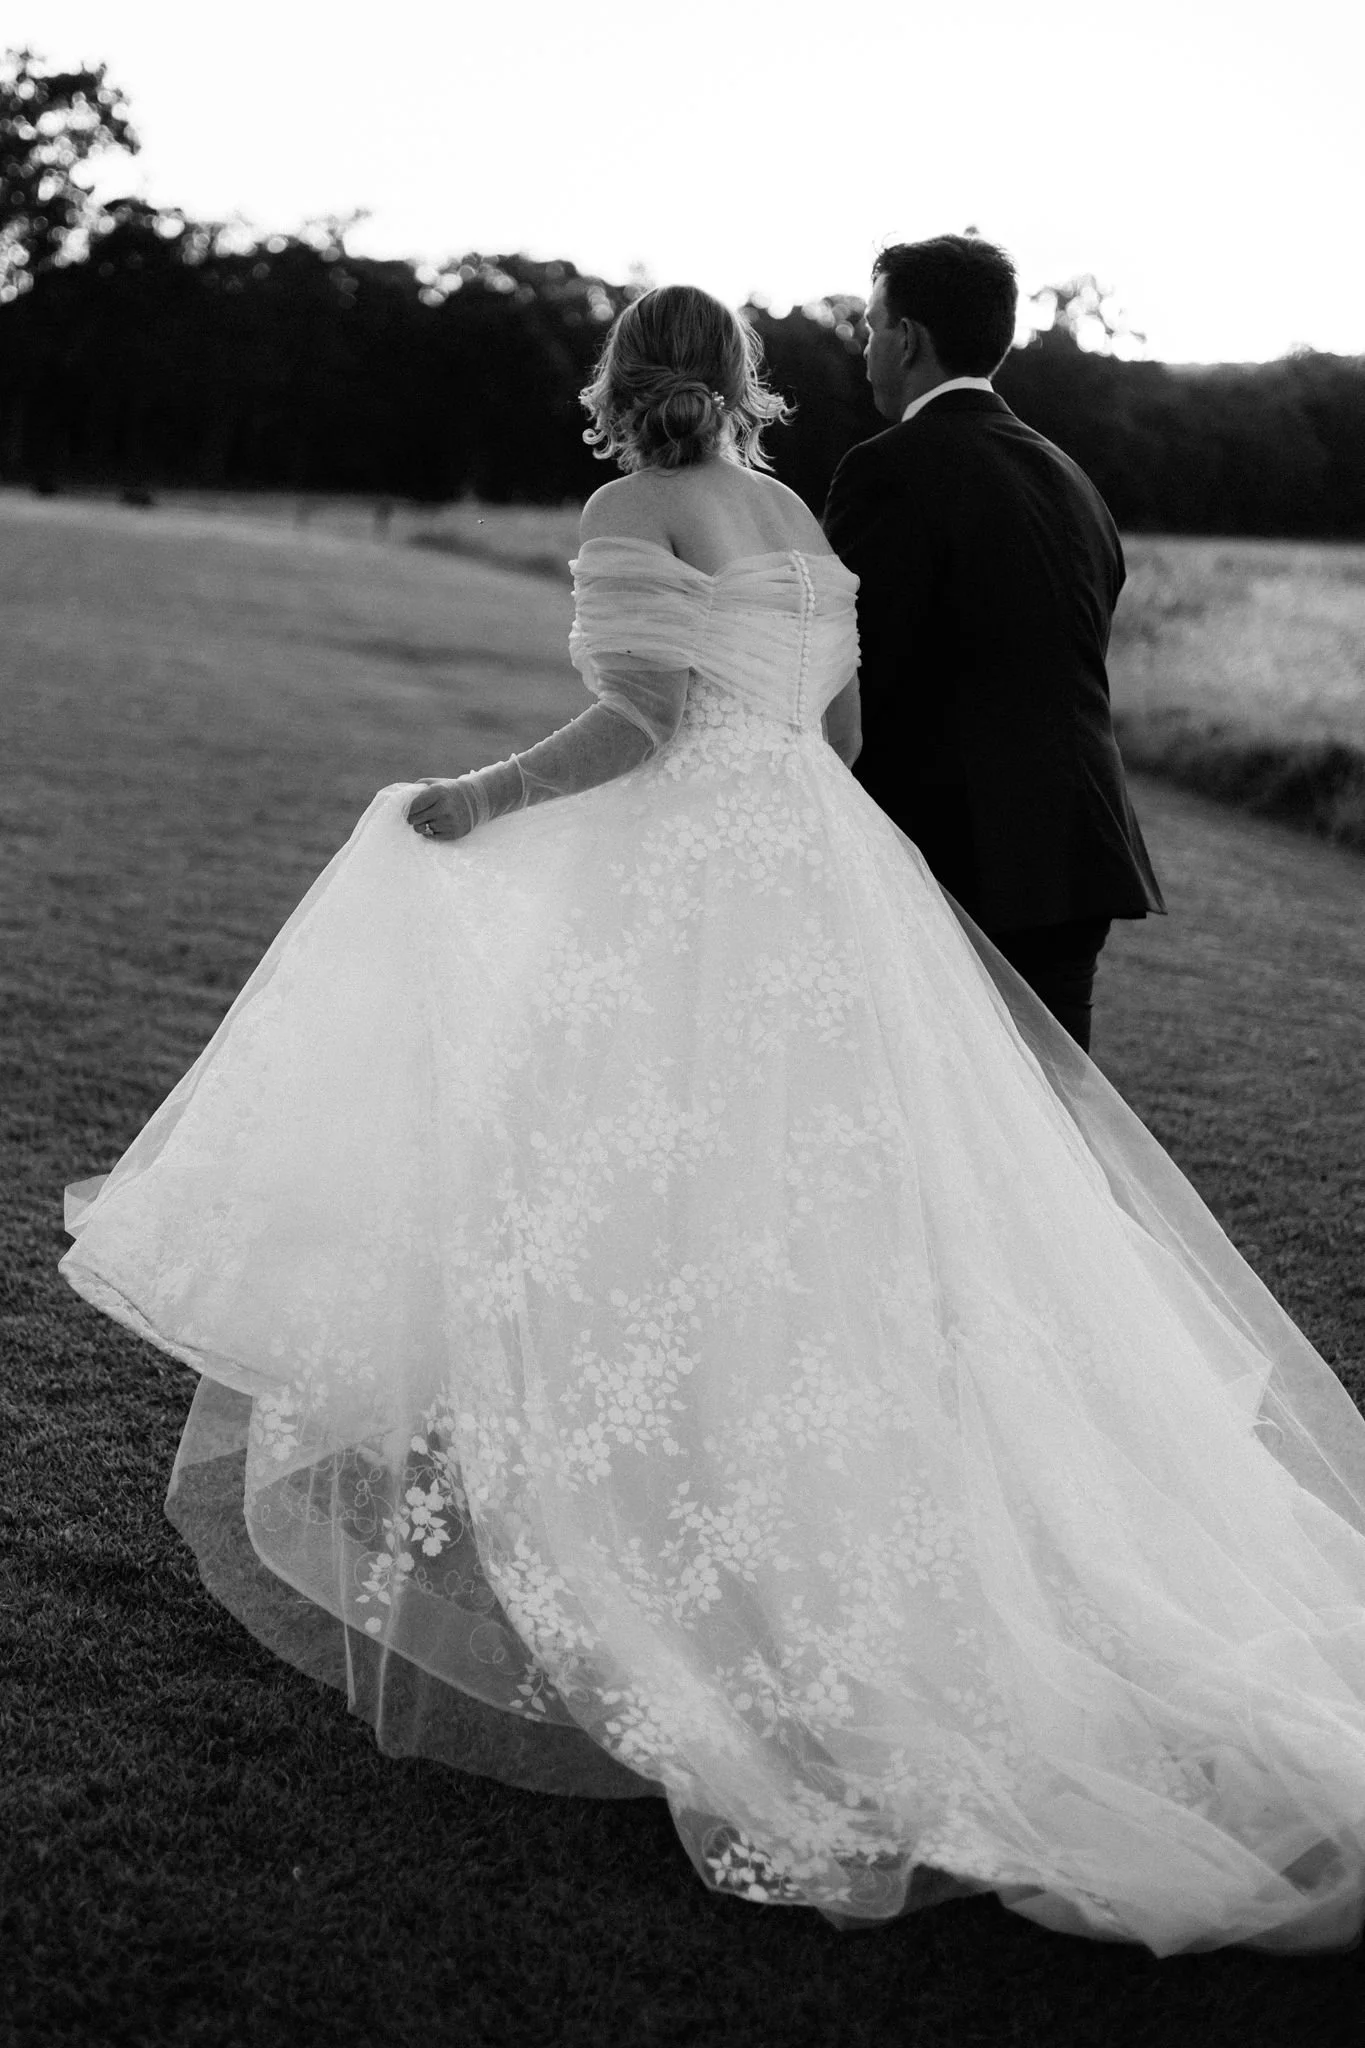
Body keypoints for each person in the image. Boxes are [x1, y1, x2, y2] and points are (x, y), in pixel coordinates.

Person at [61, 285, 1365, 1958]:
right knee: (820, 1209)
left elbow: (650, 721)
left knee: (643, 1180)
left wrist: (480, 797)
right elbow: (843, 732)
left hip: (696, 883)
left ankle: (686, 1534)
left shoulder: (630, 509)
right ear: (744, 380)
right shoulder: (799, 518)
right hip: (828, 879)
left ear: (621, 380)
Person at [823, 234, 1165, 1050]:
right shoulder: (1071, 478)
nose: (866, 349)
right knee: (1053, 1109)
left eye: (871, 327)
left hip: (954, 854)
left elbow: (852, 667)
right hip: (1076, 850)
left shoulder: (888, 470)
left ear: (908, 338)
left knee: (933, 1104)